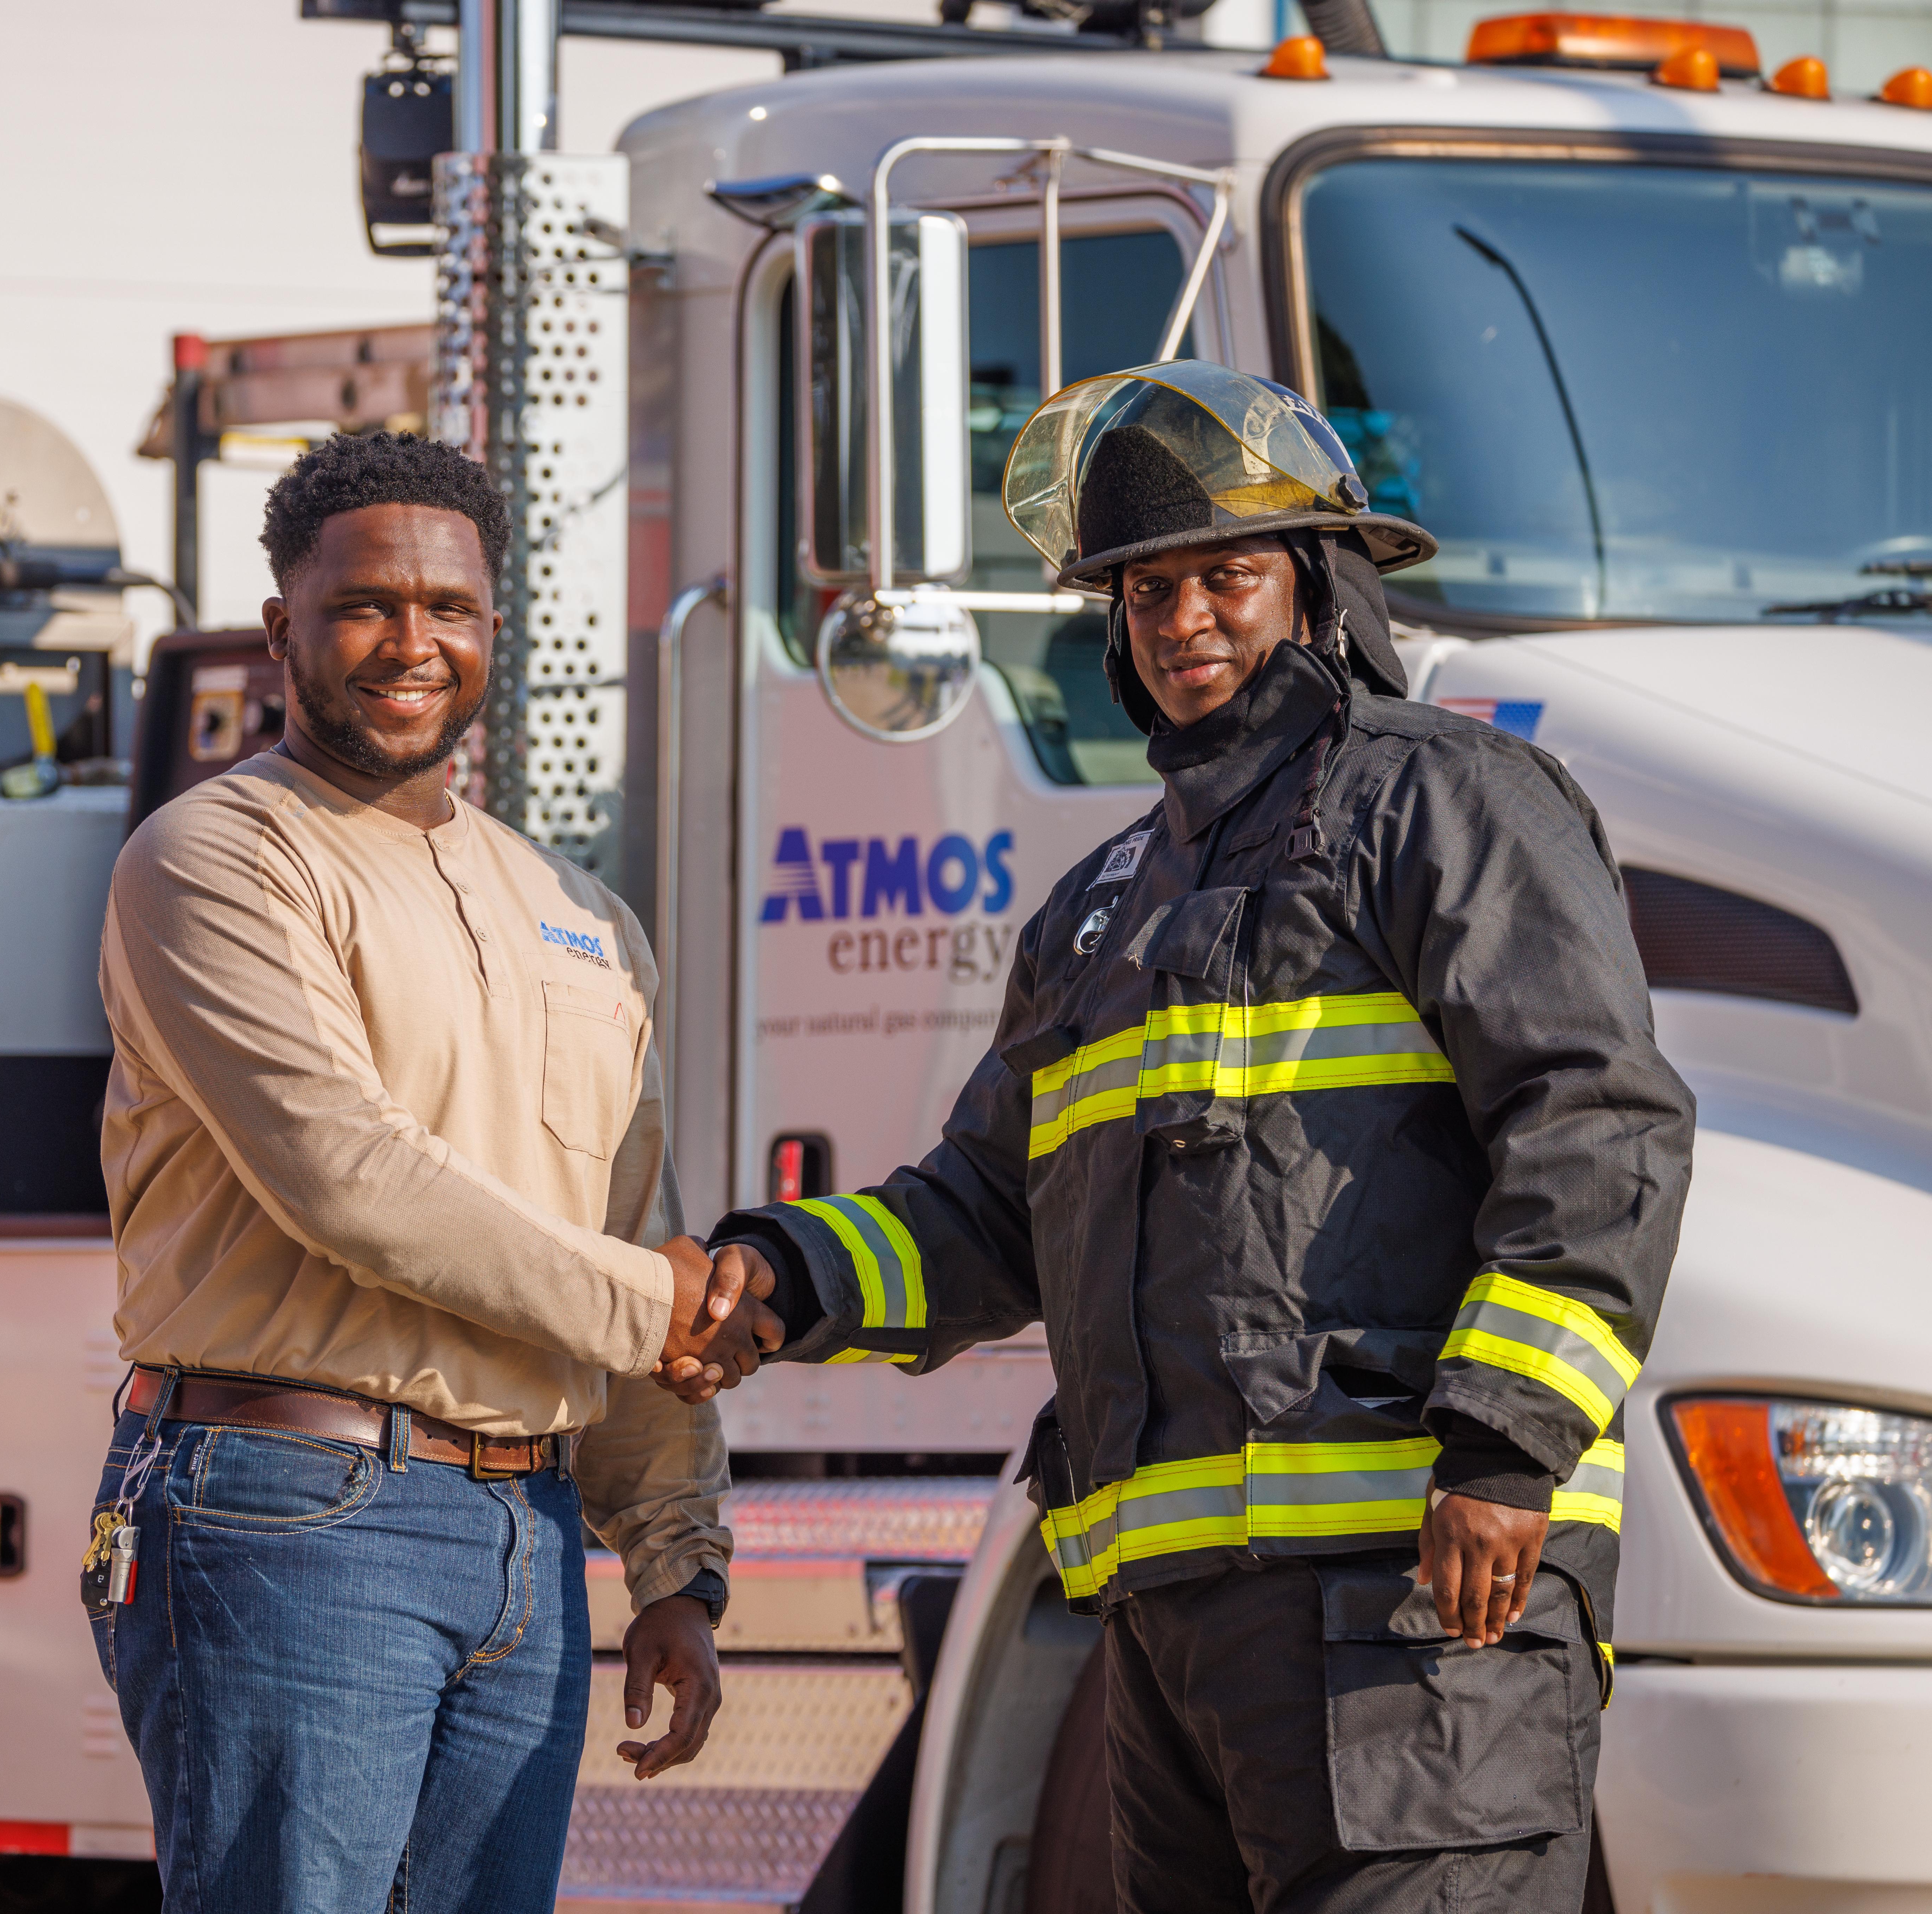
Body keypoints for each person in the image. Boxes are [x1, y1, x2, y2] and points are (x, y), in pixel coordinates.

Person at [705, 364, 1695, 1910]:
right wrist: (784, 1274)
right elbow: (984, 1208)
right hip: (1170, 1639)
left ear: (1315, 585)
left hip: (1414, 1612)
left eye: (1226, 576)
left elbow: (1593, 1124)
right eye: (1146, 589)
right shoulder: (1103, 899)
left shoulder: (1448, 801)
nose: (1183, 623)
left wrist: (1505, 1447)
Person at [89, 431, 783, 1913]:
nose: (412, 644)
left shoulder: (578, 910)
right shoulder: (214, 858)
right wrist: (654, 1302)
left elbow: (620, 1226)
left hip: (522, 1533)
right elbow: (346, 1175)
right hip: (287, 1505)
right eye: (365, 607)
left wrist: (674, 1565)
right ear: (282, 629)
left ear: (493, 630)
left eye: (450, 610)